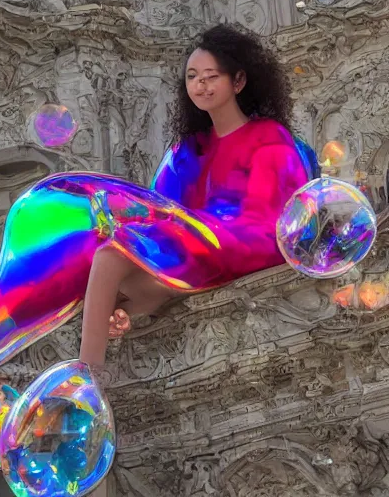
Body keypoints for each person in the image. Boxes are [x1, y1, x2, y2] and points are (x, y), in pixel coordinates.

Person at [78, 22, 311, 376]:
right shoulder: (189, 149)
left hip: (246, 238)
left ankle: (87, 376)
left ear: (238, 82)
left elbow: (266, 210)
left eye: (210, 76)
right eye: (192, 77)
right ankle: (126, 318)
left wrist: (177, 225)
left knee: (111, 257)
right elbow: (160, 208)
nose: (200, 85)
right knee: (117, 282)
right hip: (200, 240)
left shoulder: (269, 136)